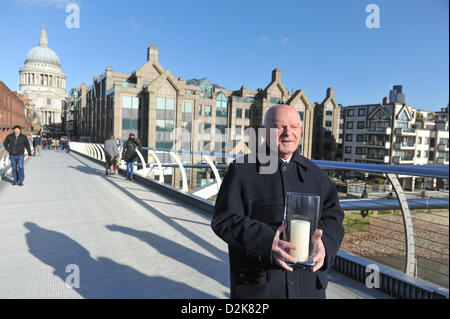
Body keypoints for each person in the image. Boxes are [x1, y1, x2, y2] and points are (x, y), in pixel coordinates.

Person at [211, 104, 345, 299]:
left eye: (293, 127)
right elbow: (224, 220)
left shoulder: (315, 174)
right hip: (260, 289)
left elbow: (334, 217)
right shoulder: (242, 170)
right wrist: (267, 241)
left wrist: (325, 243)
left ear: (300, 131)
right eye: (280, 127)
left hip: (307, 288)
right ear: (265, 132)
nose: (287, 133)